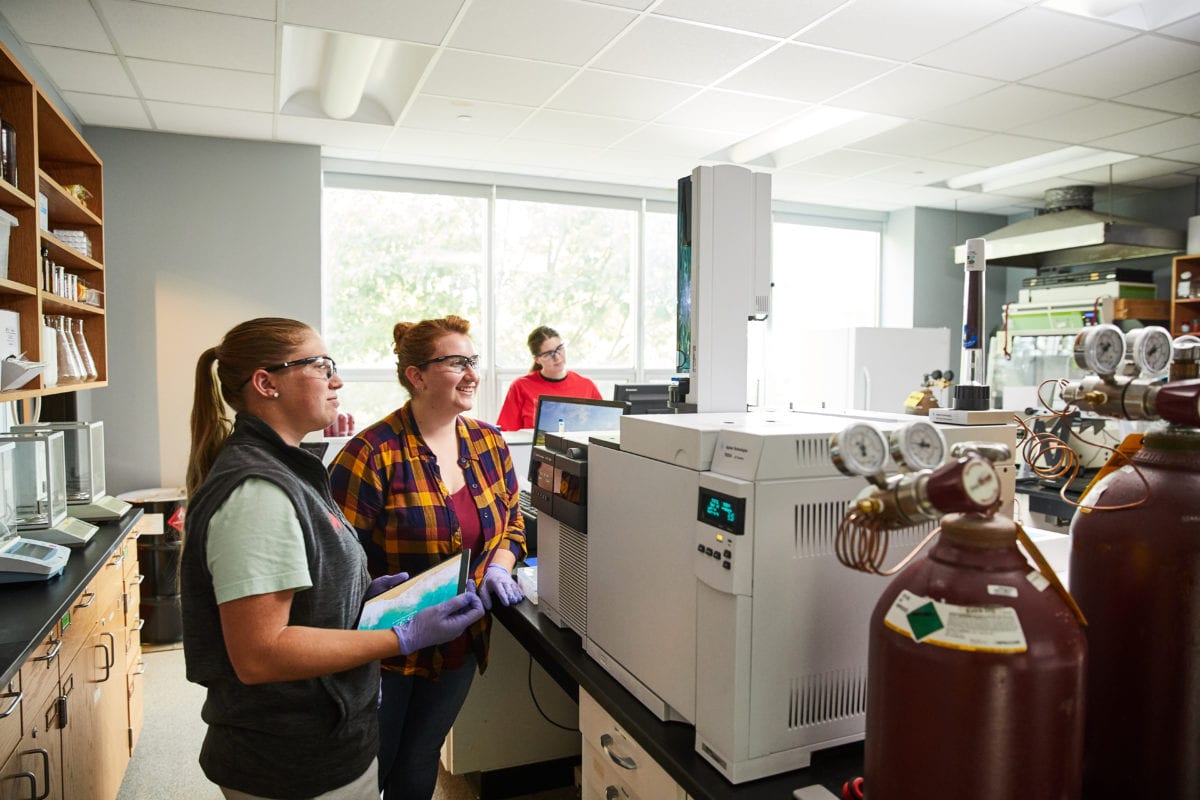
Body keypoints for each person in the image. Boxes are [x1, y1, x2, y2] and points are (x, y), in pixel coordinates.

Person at [179, 317, 485, 800]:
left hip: (324, 734)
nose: (337, 380)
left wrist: (364, 598)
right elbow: (260, 654)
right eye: (321, 367)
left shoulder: (292, 469)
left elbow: (306, 592)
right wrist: (397, 636)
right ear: (266, 383)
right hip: (293, 756)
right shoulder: (258, 490)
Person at [328, 314, 527, 800]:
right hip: (388, 649)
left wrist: (500, 562)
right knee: (374, 764)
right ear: (416, 375)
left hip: (461, 637)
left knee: (420, 759)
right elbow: (335, 566)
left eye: (472, 361)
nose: (473, 373)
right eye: (457, 362)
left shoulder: (488, 443)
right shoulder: (371, 454)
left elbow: (513, 520)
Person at [495, 325, 601, 431]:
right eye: (548, 354)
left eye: (559, 348)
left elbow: (603, 429)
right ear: (537, 359)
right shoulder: (520, 386)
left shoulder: (587, 385)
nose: (557, 357)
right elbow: (506, 433)